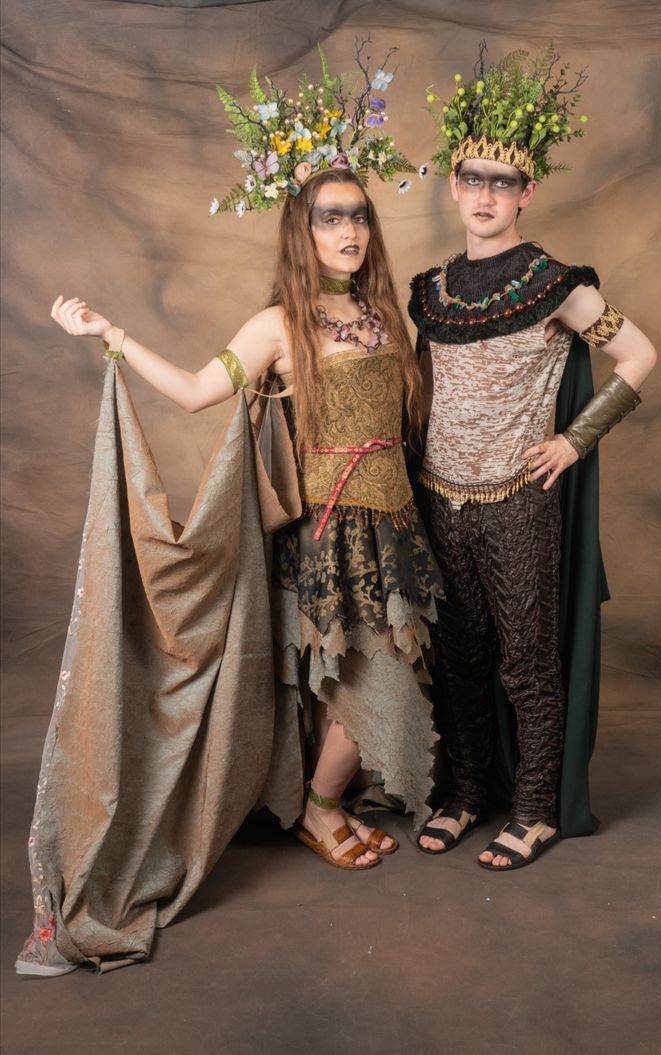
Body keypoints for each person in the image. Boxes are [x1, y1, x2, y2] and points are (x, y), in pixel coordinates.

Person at [16, 47, 441, 975]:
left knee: (385, 669)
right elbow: (199, 392)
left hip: (397, 521)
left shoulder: (384, 316)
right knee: (364, 678)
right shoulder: (278, 324)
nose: (351, 231)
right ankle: (321, 811)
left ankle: (324, 802)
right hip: (333, 531)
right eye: (332, 217)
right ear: (302, 226)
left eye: (360, 217)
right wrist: (110, 336)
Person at [410, 45, 657, 869]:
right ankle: (466, 791)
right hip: (439, 493)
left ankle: (536, 807)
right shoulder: (434, 290)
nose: (484, 196)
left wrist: (573, 438)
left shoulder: (554, 281)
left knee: (525, 658)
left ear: (525, 193)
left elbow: (641, 356)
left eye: (501, 183)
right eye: (471, 179)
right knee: (459, 658)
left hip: (519, 494)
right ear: (454, 183)